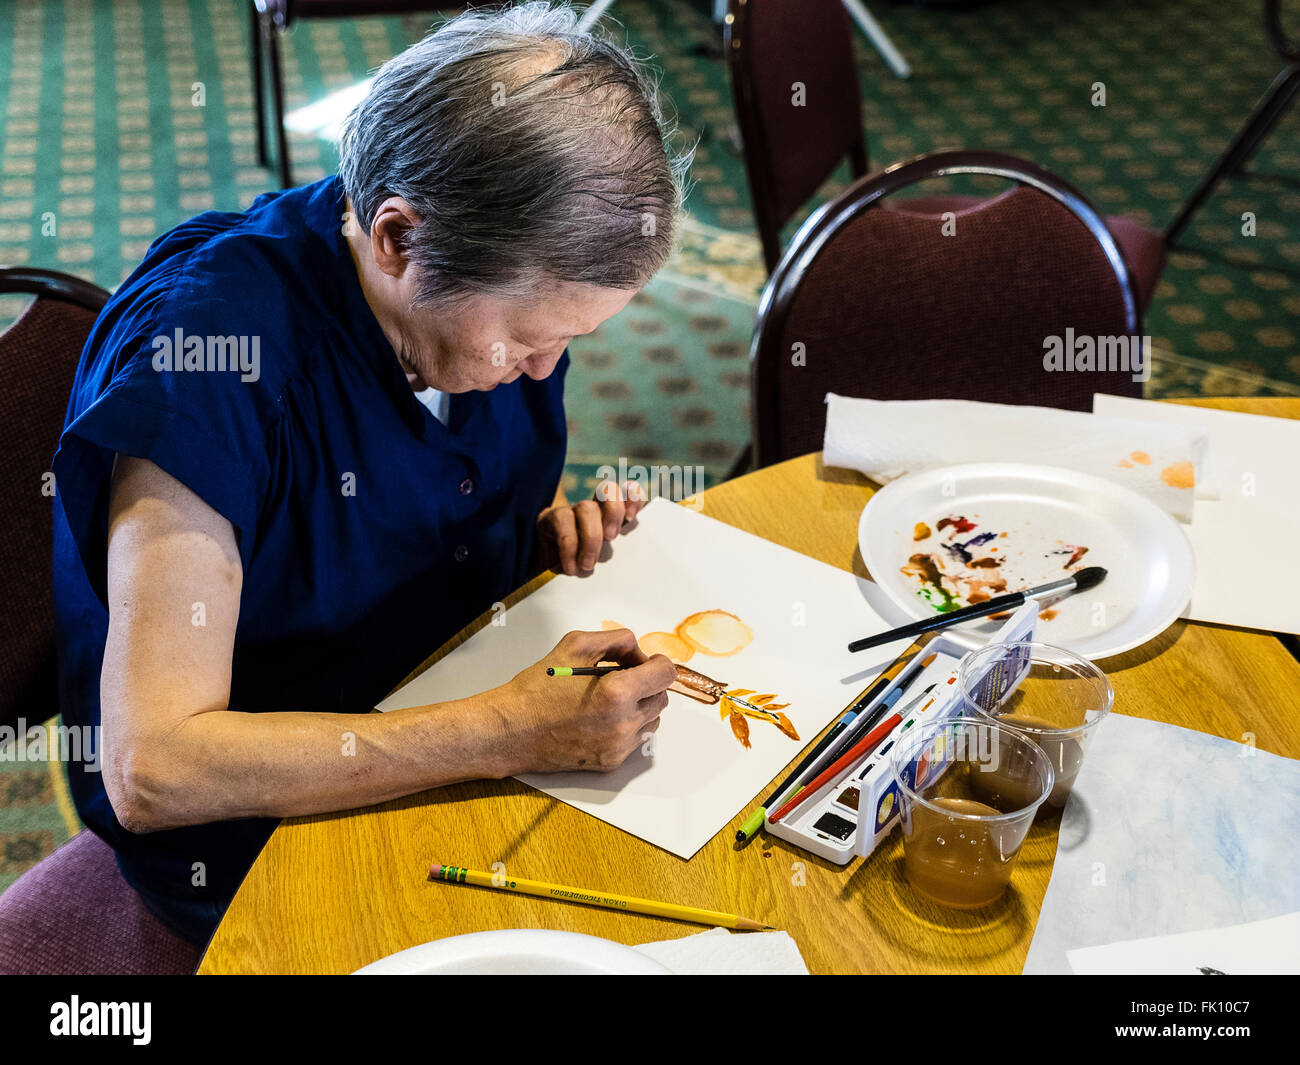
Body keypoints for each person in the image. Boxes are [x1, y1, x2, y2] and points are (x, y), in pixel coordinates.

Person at [51, 2, 688, 947]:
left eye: (573, 338)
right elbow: (154, 765)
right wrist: (508, 730)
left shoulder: (470, 277)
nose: (546, 369)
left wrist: (536, 519)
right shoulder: (206, 363)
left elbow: (433, 461)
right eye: (524, 336)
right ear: (396, 238)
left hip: (434, 700)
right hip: (256, 847)